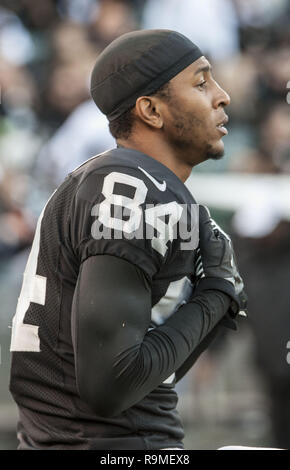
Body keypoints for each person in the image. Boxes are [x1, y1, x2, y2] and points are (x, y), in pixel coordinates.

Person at [9, 29, 246, 450]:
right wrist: (214, 297)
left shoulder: (132, 182)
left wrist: (209, 307)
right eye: (201, 82)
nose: (222, 96)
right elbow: (110, 387)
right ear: (151, 110)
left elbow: (154, 373)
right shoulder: (130, 187)